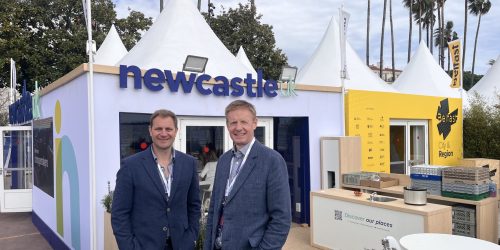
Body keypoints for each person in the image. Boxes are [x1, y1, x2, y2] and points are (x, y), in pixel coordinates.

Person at [203, 100, 291, 250]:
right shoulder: (223, 160)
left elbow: (281, 219)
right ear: (227, 126)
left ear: (254, 123)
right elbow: (213, 210)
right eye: (233, 123)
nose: (238, 128)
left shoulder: (272, 161)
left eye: (244, 122)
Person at [112, 109, 200, 250]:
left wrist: (191, 237)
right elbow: (119, 214)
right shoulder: (131, 166)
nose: (163, 133)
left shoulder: (189, 163)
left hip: (181, 245)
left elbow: (194, 206)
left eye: (168, 129)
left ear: (176, 131)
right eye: (158, 128)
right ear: (150, 130)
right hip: (143, 246)